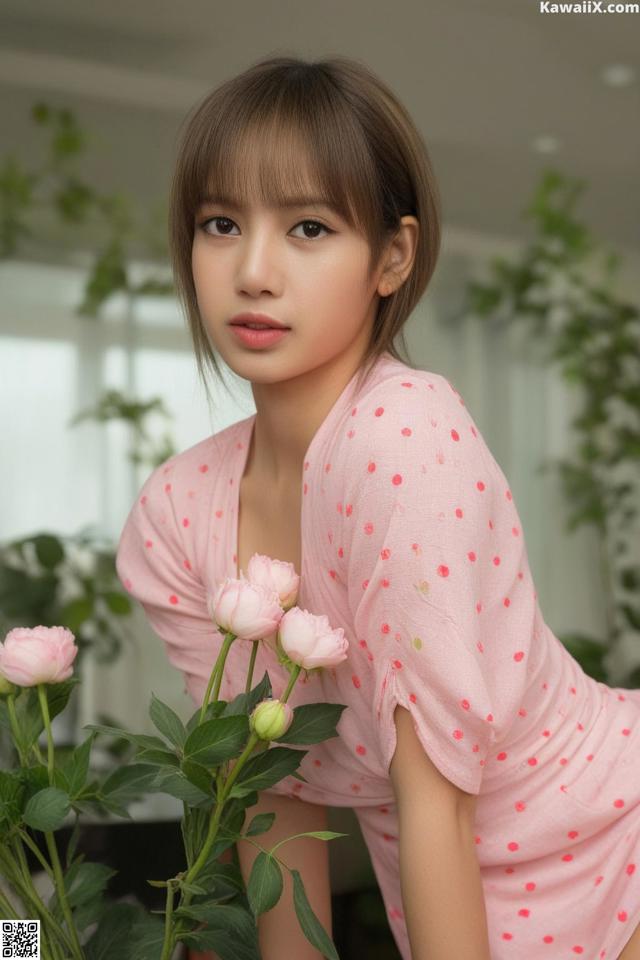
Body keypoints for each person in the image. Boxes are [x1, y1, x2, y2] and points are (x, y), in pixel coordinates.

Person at [115, 55, 640, 960]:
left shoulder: (405, 438)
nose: (253, 270)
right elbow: (267, 798)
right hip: (457, 891)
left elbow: (435, 786)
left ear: (391, 257)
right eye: (220, 223)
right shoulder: (178, 513)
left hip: (612, 835)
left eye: (309, 227)